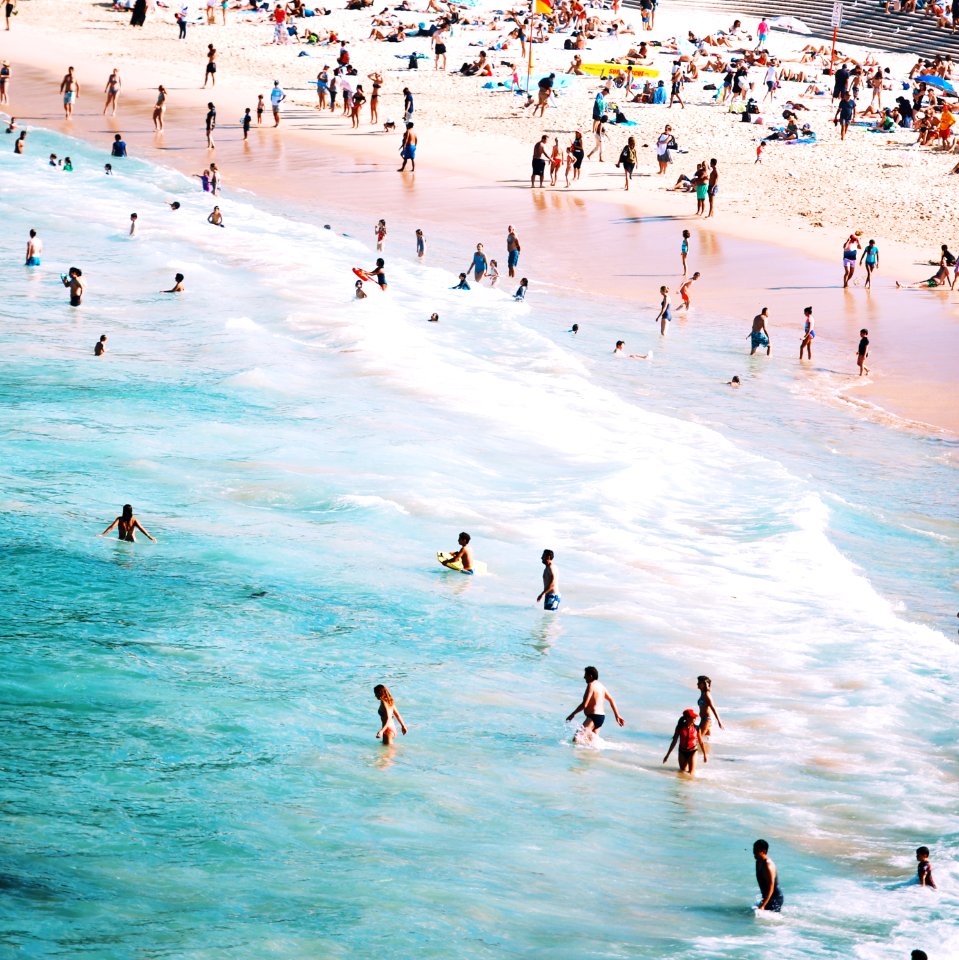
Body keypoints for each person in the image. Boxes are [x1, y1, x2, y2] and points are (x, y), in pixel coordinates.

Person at [565, 666, 625, 743]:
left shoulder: (591, 685)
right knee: (591, 744)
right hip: (601, 718)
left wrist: (573, 714)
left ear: (590, 676)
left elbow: (584, 704)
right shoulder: (601, 686)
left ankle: (574, 755)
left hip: (593, 717)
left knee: (576, 739)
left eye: (585, 675)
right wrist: (617, 715)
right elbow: (611, 700)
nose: (584, 677)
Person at [663, 708, 707, 773]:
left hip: (693, 751)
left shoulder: (697, 728)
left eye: (695, 717)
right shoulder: (679, 727)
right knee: (682, 772)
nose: (695, 718)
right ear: (687, 718)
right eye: (693, 717)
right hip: (682, 752)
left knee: (691, 773)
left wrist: (704, 755)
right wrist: (667, 755)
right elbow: (674, 741)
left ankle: (691, 783)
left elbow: (701, 742)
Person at [753, 840, 784, 911]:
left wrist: (763, 905)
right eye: (754, 850)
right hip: (767, 897)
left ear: (764, 851)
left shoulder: (768, 865)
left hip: (775, 899)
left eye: (756, 850)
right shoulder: (758, 862)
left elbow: (771, 887)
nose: (754, 853)